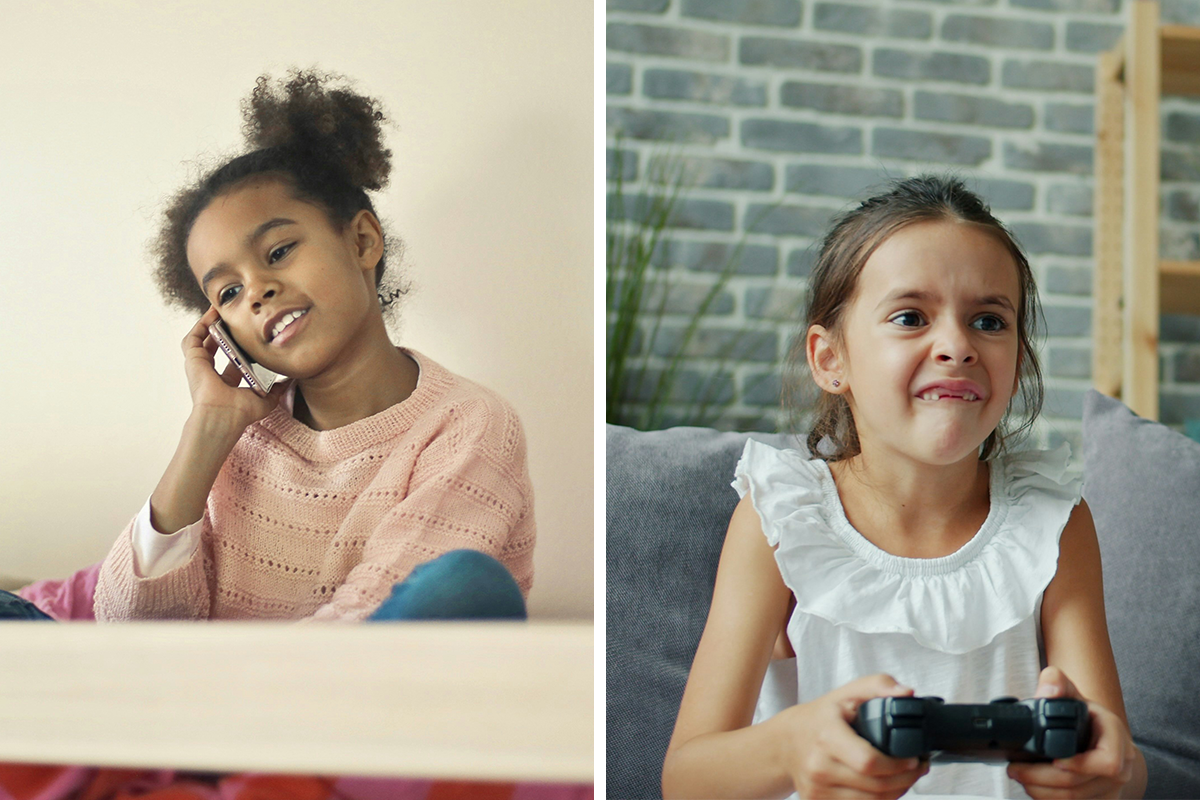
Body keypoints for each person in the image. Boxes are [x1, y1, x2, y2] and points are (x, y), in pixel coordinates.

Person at [661, 176, 1146, 799]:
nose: (957, 346)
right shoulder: (781, 519)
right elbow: (685, 780)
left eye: (988, 321)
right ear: (830, 359)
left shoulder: (1055, 522)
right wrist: (792, 744)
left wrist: (1109, 772)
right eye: (911, 317)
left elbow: (1122, 773)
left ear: (1019, 359)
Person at [0, 68, 534, 624]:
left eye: (277, 252)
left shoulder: (469, 424)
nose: (257, 291)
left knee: (465, 586)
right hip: (178, 697)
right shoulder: (240, 438)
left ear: (362, 241)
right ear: (220, 329)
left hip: (329, 692)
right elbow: (125, 631)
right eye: (228, 292)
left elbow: (376, 616)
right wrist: (207, 432)